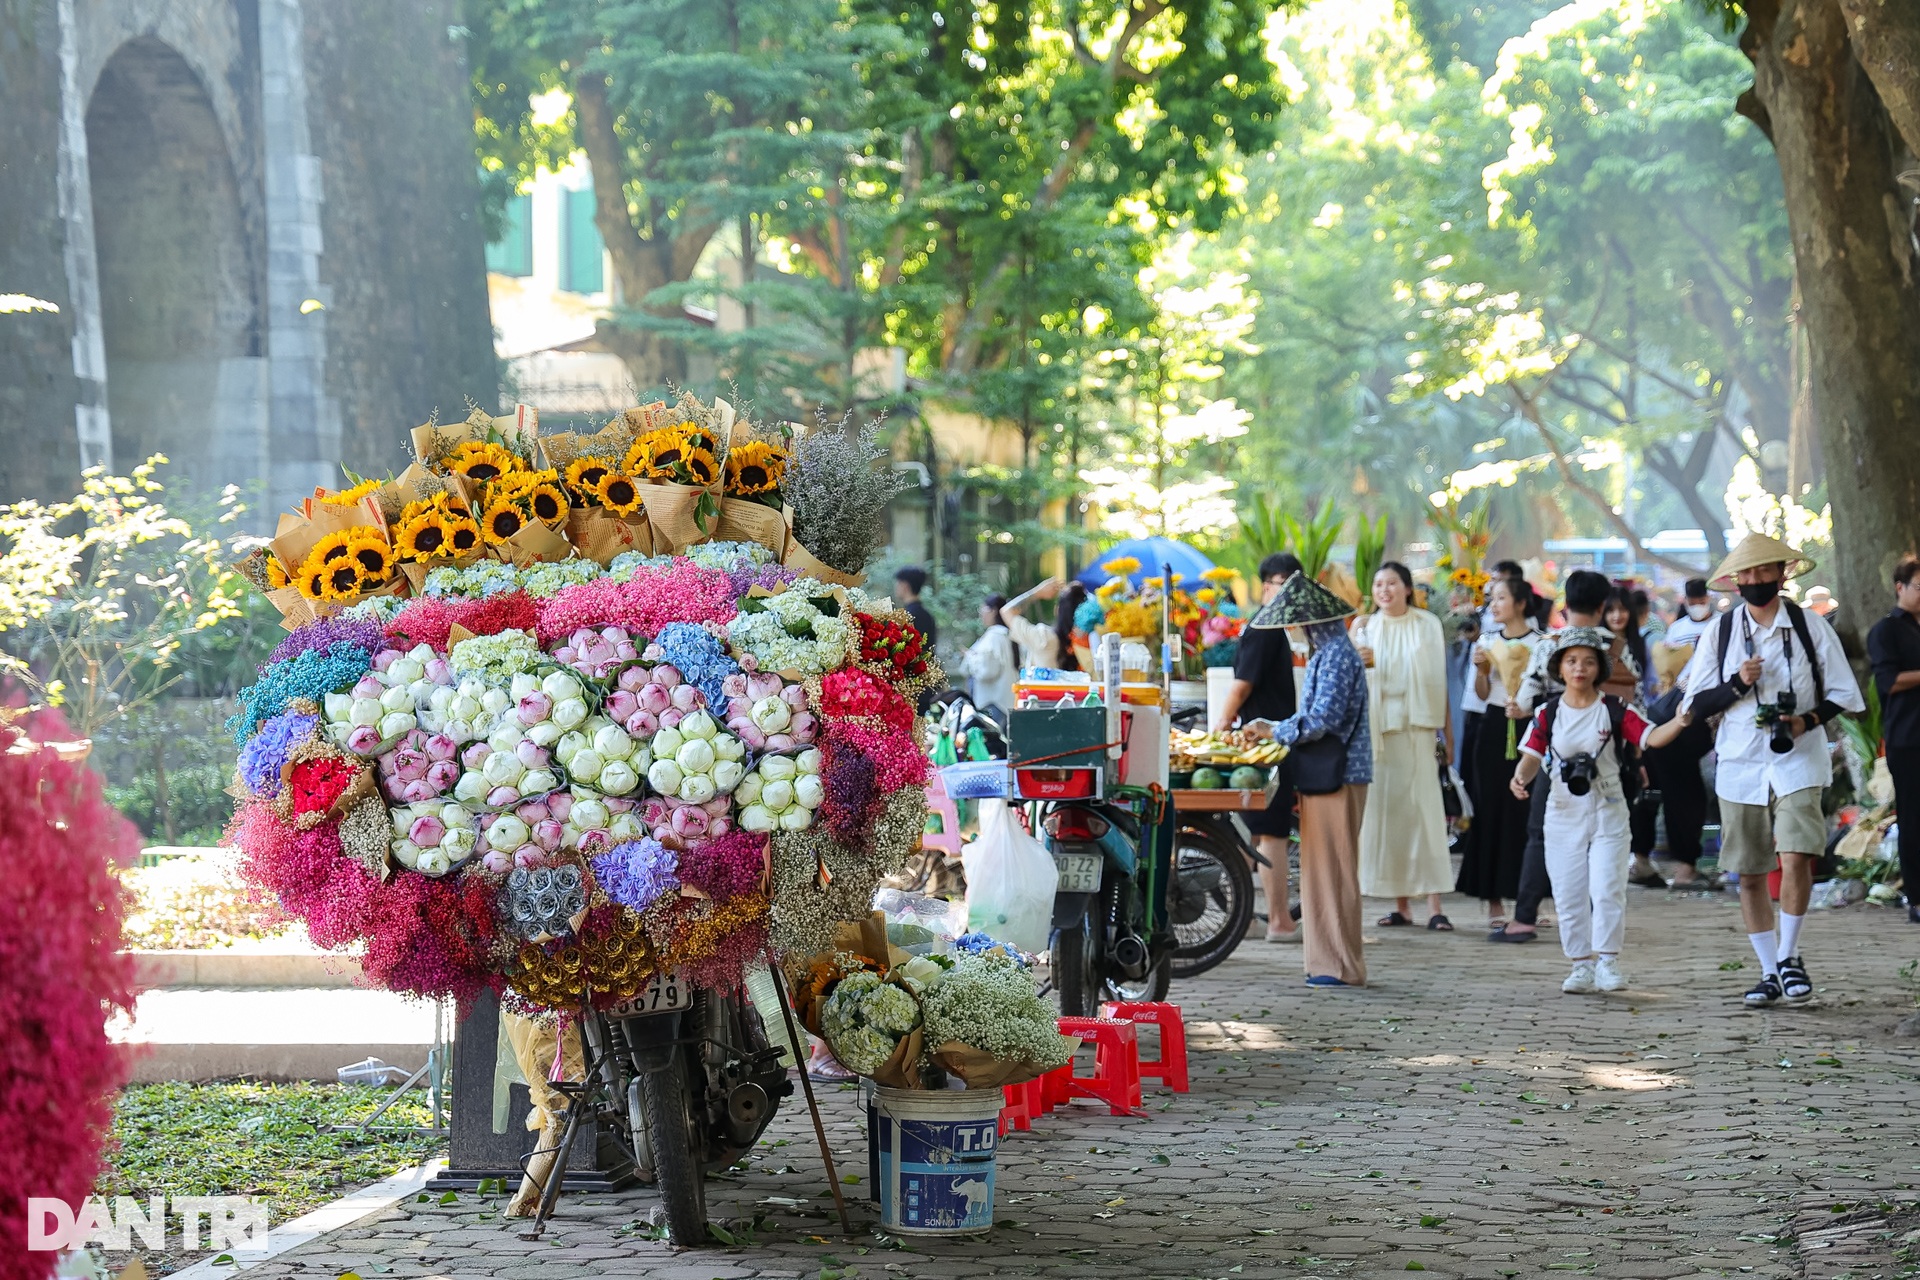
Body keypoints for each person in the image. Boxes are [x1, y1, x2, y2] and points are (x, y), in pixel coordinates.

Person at [1681, 532, 1863, 1007]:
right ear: (1736, 580)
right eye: (1749, 573)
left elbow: (1842, 693)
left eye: (1766, 571)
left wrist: (1806, 720)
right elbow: (1695, 704)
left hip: (1799, 756)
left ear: (1783, 575)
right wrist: (1738, 685)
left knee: (1799, 853)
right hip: (1740, 761)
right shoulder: (1719, 634)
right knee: (1747, 870)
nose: (1757, 580)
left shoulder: (1809, 627)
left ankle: (1788, 956)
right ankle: (1767, 971)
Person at [1509, 628, 1693, 994]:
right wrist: (1519, 779)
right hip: (1562, 811)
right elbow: (1530, 756)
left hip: (1608, 808)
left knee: (1608, 887)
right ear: (1559, 667)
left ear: (1600, 668)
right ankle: (1580, 964)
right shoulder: (1546, 714)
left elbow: (1650, 737)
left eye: (1589, 661)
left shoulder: (1614, 709)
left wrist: (1682, 720)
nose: (1580, 668)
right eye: (1572, 661)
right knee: (1568, 889)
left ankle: (1608, 961)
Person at [1242, 573, 1372, 987]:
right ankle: (1328, 963)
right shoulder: (1330, 653)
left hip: (1339, 775)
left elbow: (1322, 721)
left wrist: (1274, 729)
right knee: (1323, 870)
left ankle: (1337, 965)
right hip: (1331, 774)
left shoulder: (1334, 656)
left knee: (1332, 870)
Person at [1488, 568, 1620, 943]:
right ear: (1601, 605)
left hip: (1555, 757)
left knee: (1541, 835)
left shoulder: (1550, 645)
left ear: (1567, 602)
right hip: (1607, 759)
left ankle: (1524, 919)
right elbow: (1635, 702)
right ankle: (1597, 920)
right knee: (1602, 837)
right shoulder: (1617, 646)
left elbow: (1527, 700)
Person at [1352, 562, 1456, 930]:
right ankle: (1400, 905)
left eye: (1392, 583)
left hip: (1416, 729)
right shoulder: (1364, 627)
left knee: (1424, 814)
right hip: (1379, 731)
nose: (1385, 590)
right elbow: (1352, 682)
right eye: (1379, 584)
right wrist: (1360, 663)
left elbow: (1437, 683)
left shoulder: (1427, 625)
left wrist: (1447, 735)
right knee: (1388, 817)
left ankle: (1435, 903)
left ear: (1408, 588)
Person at [1214, 553, 1303, 942]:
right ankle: (1280, 921)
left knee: (1256, 832)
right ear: (1268, 585)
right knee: (1272, 834)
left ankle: (1245, 919)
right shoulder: (1264, 628)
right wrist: (1220, 725)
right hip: (1268, 745)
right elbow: (1242, 684)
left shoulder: (1271, 628)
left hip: (1268, 741)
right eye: (1286, 584)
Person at [1456, 576, 1543, 927]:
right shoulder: (1487, 642)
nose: (1494, 604)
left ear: (1521, 602)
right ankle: (1492, 900)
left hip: (1530, 727)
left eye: (1502, 598)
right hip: (1493, 727)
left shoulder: (1542, 643)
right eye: (1492, 598)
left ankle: (1528, 898)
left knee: (1526, 812)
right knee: (1490, 810)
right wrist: (1481, 670)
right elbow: (1479, 693)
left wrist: (1525, 708)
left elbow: (1547, 690)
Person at [1866, 556, 1920, 924]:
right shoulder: (1885, 631)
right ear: (1900, 587)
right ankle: (1916, 897)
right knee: (1914, 819)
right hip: (1909, 736)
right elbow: (1889, 682)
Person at [1603, 587, 1665, 890]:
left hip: (1638, 732)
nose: (1617, 616)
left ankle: (1637, 859)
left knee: (1637, 797)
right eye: (1611, 609)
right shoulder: (1599, 645)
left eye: (1622, 609)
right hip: (1604, 733)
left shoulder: (1641, 645)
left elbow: (1649, 687)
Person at [1000, 577, 1086, 672]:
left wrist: (1037, 593)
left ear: (1057, 610)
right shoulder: (1088, 639)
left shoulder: (1044, 637)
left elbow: (1006, 611)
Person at [959, 593, 1016, 720]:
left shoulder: (994, 636)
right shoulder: (1007, 634)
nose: (981, 614)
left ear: (994, 611)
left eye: (983, 609)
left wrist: (970, 657)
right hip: (1005, 700)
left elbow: (987, 671)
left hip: (994, 703)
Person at [892, 566, 938, 649]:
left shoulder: (906, 616)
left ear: (905, 586)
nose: (896, 587)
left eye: (899, 583)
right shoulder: (928, 616)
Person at [1664, 579, 1716, 650]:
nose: (1697, 607)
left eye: (1702, 603)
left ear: (1708, 598)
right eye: (1692, 603)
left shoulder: (1720, 622)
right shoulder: (1676, 628)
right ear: (1685, 600)